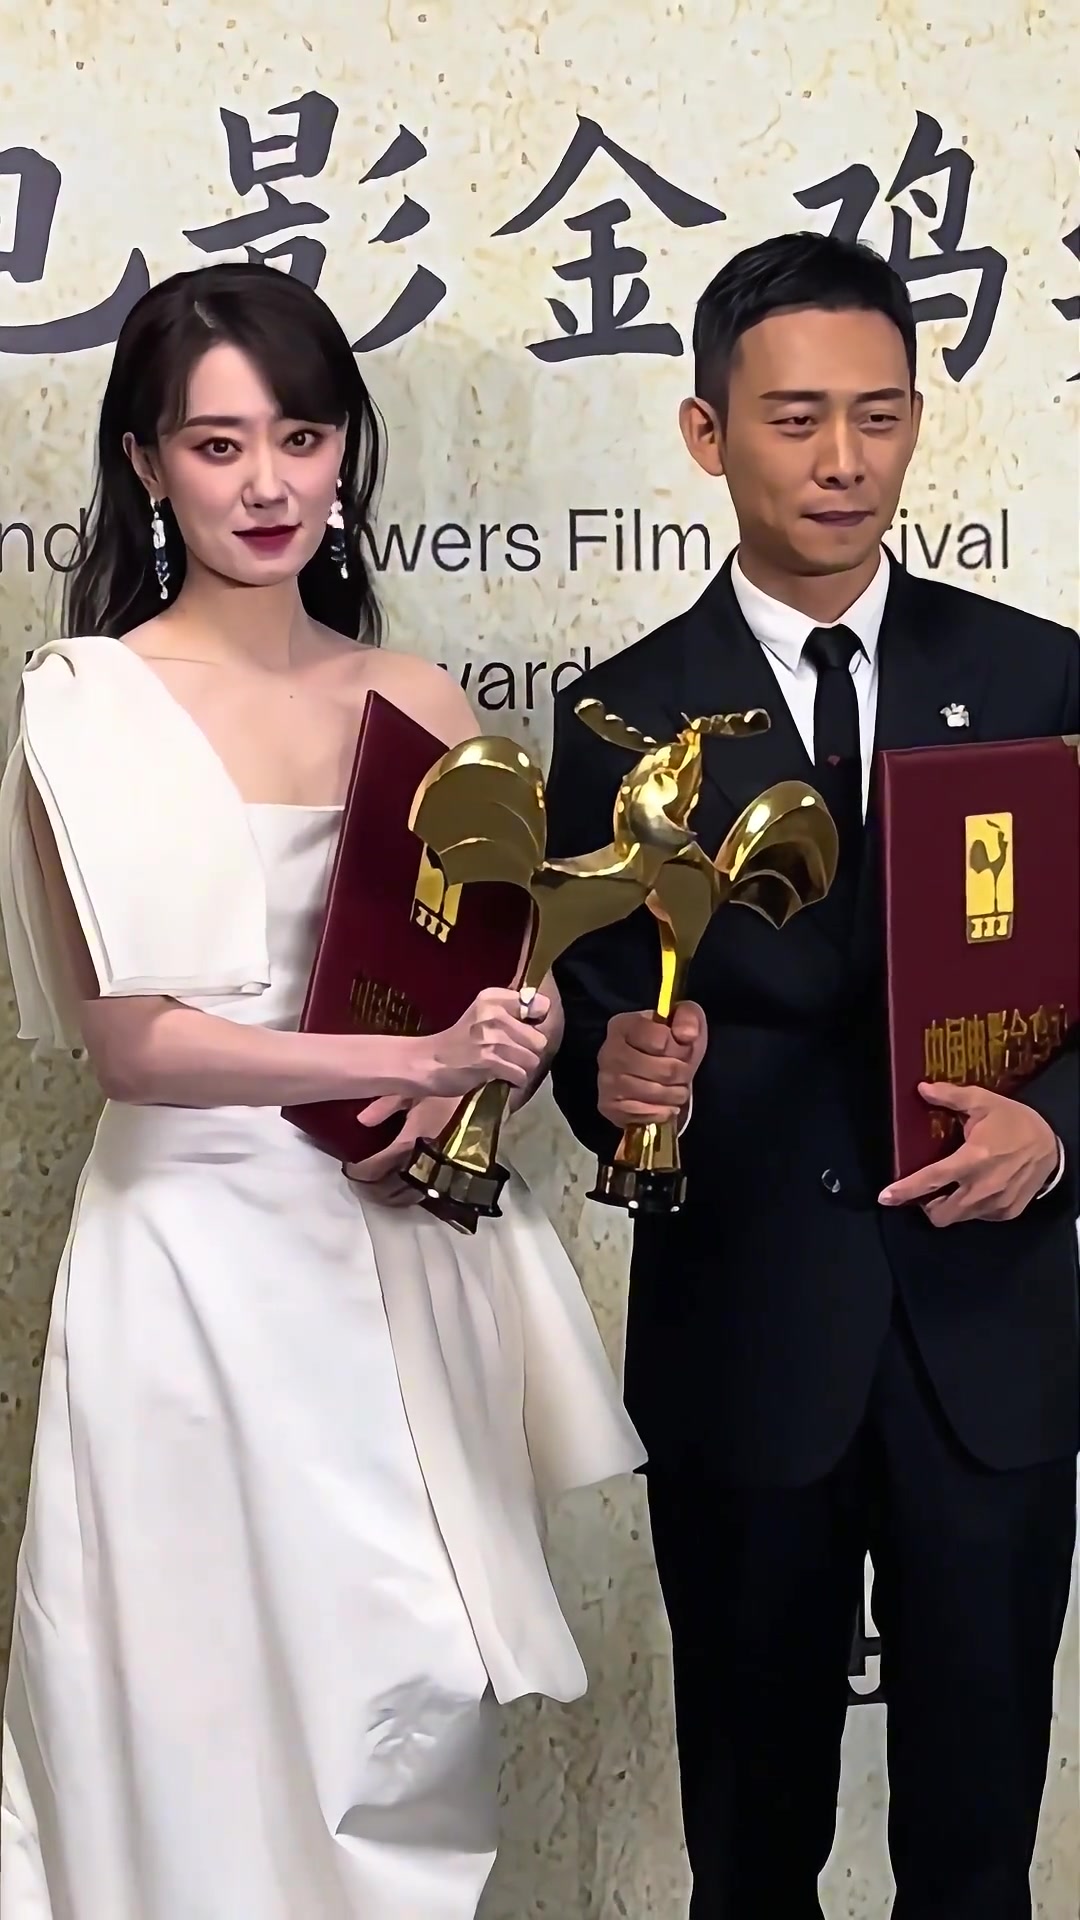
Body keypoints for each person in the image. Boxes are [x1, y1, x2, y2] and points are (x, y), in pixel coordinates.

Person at [0, 260, 644, 1920]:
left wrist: (505, 1050)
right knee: (184, 1694)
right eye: (217, 446)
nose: (267, 483)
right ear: (145, 464)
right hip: (190, 1265)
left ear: (347, 448)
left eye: (301, 436)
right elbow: (137, 1045)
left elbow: (495, 990)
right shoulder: (90, 706)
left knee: (402, 1686)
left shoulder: (415, 702)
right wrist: (409, 1059)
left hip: (396, 1247)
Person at [545, 232, 1079, 1920]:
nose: (842, 460)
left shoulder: (1043, 678)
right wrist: (615, 1074)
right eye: (794, 420)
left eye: (879, 415)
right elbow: (588, 1018)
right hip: (748, 1342)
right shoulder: (623, 721)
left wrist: (1059, 1131)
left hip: (987, 1348)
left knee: (978, 1859)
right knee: (750, 1857)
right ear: (708, 434)